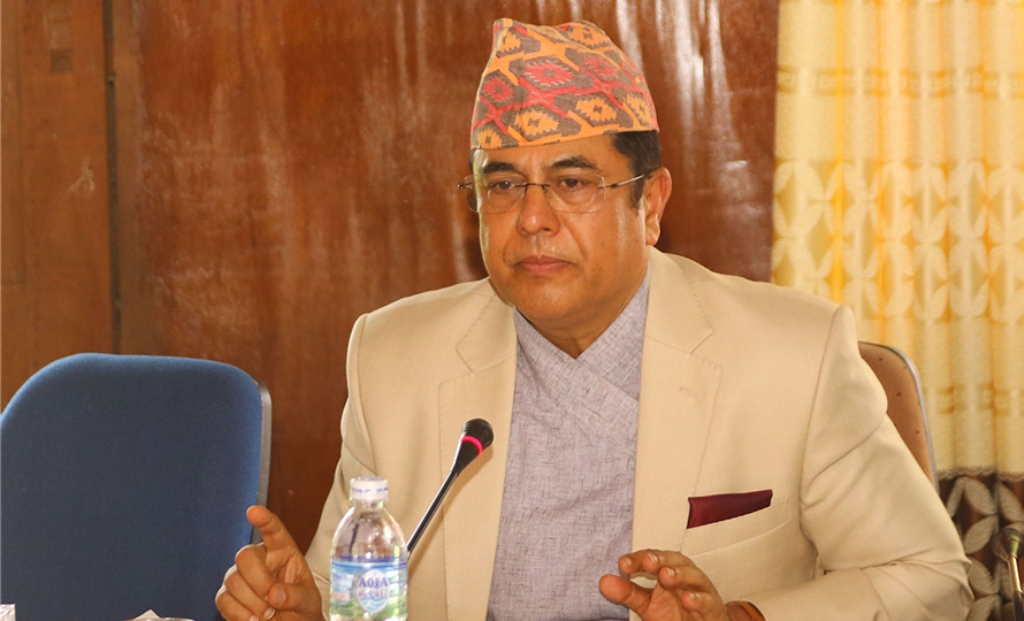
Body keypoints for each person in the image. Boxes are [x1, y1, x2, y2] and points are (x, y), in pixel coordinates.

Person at [216, 18, 972, 621]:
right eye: (503, 186)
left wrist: (742, 616)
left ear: (651, 203)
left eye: (572, 182)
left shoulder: (791, 356)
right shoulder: (393, 357)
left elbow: (932, 579)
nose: (532, 218)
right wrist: (304, 606)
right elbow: (349, 588)